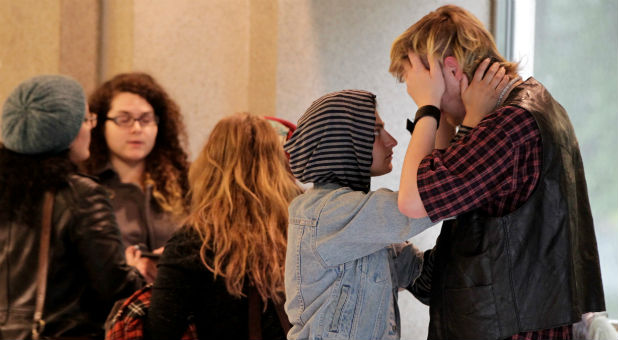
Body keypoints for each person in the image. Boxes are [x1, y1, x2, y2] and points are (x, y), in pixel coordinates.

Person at [389, 5, 605, 340]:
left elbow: (414, 200)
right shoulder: (531, 108)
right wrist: (450, 115)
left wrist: (427, 108)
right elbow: (448, 176)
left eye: (427, 89)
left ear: (451, 68)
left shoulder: (510, 124)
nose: (438, 106)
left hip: (509, 329)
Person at [282, 88, 501, 340]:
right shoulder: (326, 214)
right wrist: (461, 121)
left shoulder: (362, 223)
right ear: (343, 141)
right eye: (376, 131)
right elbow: (426, 202)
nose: (391, 140)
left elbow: (426, 282)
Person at [0, 75, 144, 339]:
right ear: (65, 132)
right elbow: (114, 288)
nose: (90, 128)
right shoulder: (80, 194)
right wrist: (138, 271)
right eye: (86, 119)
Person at [143, 113, 303, 340]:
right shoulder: (304, 230)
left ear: (209, 163)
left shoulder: (194, 241)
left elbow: (160, 330)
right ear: (278, 164)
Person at [85, 72, 190, 283]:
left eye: (146, 119)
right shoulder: (86, 185)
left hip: (174, 302)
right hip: (109, 306)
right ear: (100, 124)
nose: (136, 128)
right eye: (123, 119)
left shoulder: (186, 181)